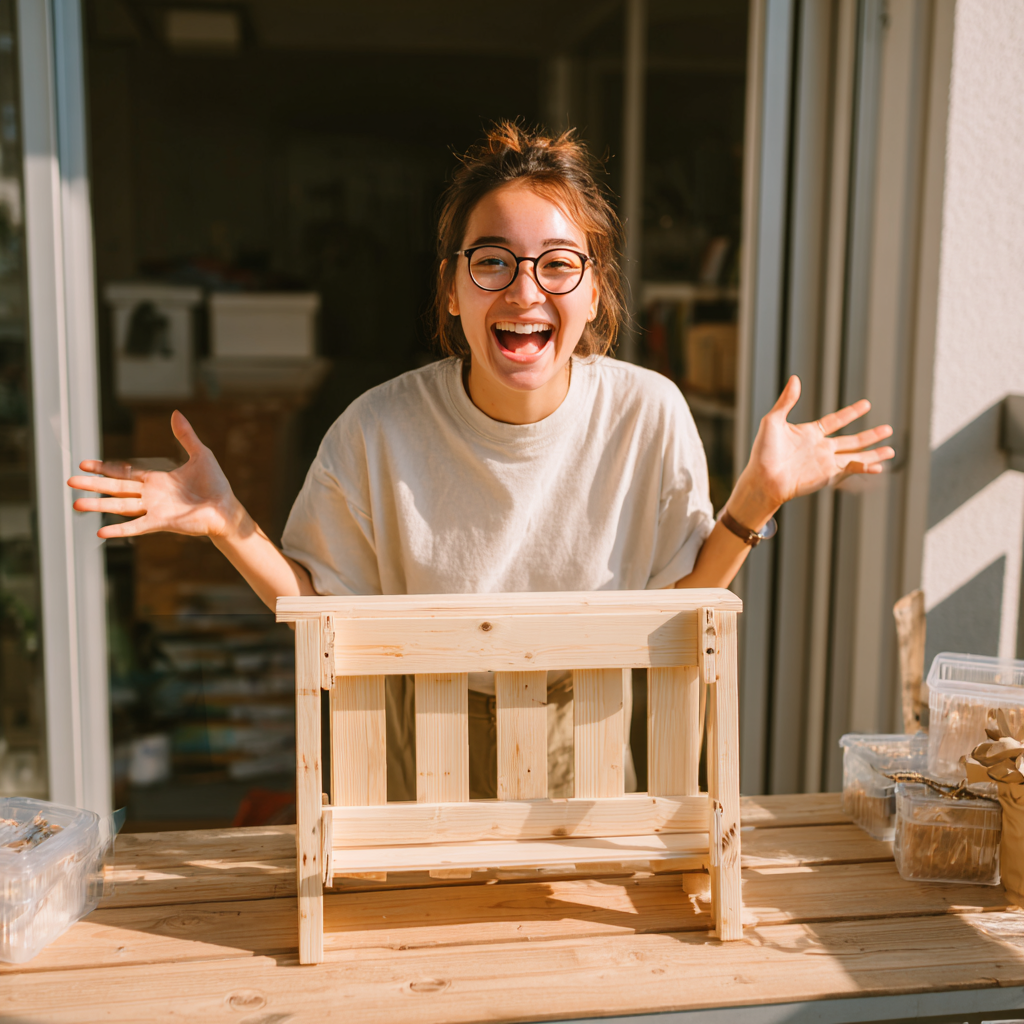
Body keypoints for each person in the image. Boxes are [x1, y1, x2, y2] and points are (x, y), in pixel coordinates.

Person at [69, 123, 894, 799]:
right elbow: (321, 613)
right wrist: (227, 521)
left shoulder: (647, 414)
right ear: (452, 289)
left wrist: (756, 498)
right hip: (418, 740)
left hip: (585, 738)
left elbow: (681, 609)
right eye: (493, 261)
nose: (525, 291)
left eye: (558, 264)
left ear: (595, 291)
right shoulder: (375, 430)